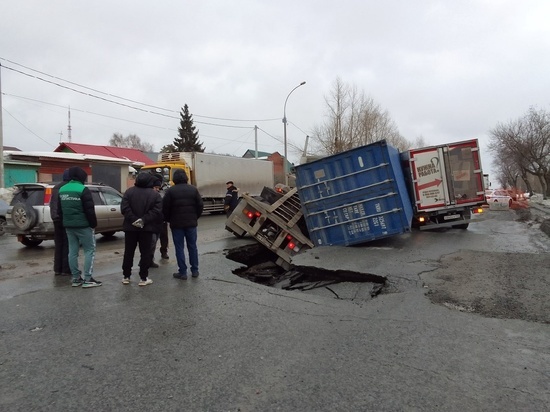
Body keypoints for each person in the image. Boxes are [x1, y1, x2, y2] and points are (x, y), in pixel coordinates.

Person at [58, 166, 100, 288]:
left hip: (68, 226)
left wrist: (64, 222)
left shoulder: (62, 190)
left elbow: (59, 210)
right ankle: (88, 278)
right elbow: (89, 210)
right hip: (84, 225)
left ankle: (76, 278)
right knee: (89, 250)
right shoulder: (83, 189)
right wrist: (93, 224)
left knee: (72, 251)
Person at [121, 172, 163, 286]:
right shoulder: (154, 195)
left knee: (128, 252)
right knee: (145, 252)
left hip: (130, 227)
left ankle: (126, 276)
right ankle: (143, 278)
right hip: (147, 228)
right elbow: (156, 211)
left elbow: (124, 208)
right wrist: (143, 220)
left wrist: (133, 219)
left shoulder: (129, 192)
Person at [162, 169, 203, 280]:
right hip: (191, 223)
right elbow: (200, 206)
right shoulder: (193, 190)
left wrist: (169, 219)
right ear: (186, 177)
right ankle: (195, 270)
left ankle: (183, 272)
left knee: (179, 248)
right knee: (192, 247)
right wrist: (195, 217)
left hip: (176, 224)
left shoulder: (170, 191)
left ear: (174, 179)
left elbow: (165, 208)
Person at [50, 169, 71, 276]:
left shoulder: (55, 187)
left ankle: (57, 268)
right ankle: (66, 269)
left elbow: (52, 203)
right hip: (64, 217)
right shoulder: (67, 188)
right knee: (67, 244)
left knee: (58, 244)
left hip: (55, 218)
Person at [149, 173, 169, 268]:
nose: (157, 188)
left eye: (159, 186)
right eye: (156, 186)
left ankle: (164, 252)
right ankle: (149, 259)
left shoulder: (163, 192)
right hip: (154, 221)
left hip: (162, 219)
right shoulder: (150, 194)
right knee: (152, 241)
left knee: (164, 237)